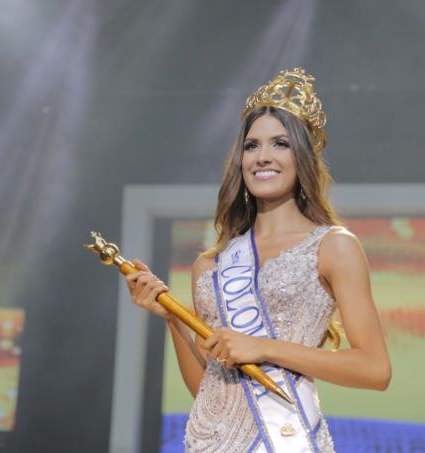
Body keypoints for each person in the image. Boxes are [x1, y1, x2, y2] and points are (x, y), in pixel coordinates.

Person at [126, 67, 391, 452]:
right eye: (252, 146)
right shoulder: (211, 266)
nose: (263, 157)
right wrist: (172, 316)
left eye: (280, 144)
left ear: (303, 158)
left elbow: (375, 370)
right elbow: (210, 392)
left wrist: (264, 348)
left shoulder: (333, 247)